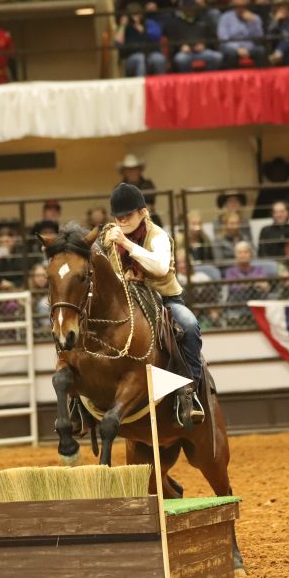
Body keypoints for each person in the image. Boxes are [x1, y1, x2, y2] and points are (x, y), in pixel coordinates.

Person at [103, 182, 204, 428]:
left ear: (143, 212)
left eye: (128, 215)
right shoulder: (109, 237)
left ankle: (190, 391)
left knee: (189, 326)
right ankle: (81, 401)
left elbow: (159, 267)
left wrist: (127, 245)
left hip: (165, 301)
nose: (122, 221)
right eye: (119, 216)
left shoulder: (158, 236)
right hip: (126, 303)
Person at [163, 0, 224, 72]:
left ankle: (206, 78)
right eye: (187, 6)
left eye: (192, 6)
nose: (190, 8)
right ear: (182, 8)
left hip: (202, 51)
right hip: (184, 53)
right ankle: (189, 81)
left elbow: (211, 37)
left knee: (217, 57)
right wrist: (180, 47)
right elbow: (170, 39)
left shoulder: (204, 20)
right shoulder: (174, 23)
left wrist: (204, 44)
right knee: (180, 59)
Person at [218, 0, 267, 68]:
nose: (240, 9)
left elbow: (259, 38)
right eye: (238, 6)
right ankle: (232, 78)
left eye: (243, 6)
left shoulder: (255, 18)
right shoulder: (225, 17)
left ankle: (261, 78)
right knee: (230, 54)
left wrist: (253, 23)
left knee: (261, 51)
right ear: (233, 5)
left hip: (250, 47)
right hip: (231, 47)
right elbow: (223, 38)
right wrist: (238, 49)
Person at [116, 2, 167, 77]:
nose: (136, 17)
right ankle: (141, 85)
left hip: (149, 54)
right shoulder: (126, 27)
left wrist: (143, 30)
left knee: (159, 58)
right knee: (141, 58)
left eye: (138, 14)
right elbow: (117, 43)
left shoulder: (148, 24)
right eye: (133, 14)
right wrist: (122, 26)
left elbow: (156, 37)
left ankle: (161, 85)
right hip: (131, 57)